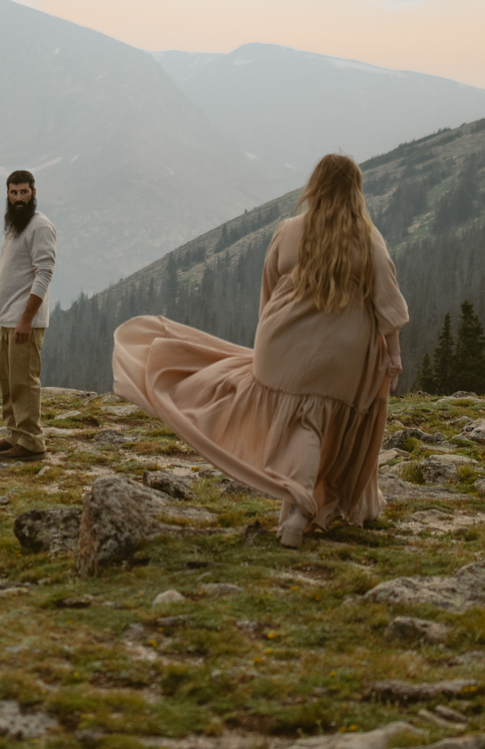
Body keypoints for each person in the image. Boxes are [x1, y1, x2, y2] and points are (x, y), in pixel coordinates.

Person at [111, 153, 408, 548]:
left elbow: (269, 292)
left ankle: (298, 506)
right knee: (319, 423)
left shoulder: (290, 229)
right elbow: (388, 305)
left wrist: (270, 339)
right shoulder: (368, 238)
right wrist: (393, 354)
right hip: (345, 355)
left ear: (315, 186)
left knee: (299, 423)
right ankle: (306, 509)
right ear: (355, 190)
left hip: (283, 340)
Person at [0, 169, 57, 462]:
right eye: (13, 192)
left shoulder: (40, 226)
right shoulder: (15, 226)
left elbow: (44, 273)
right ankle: (15, 434)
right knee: (8, 381)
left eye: (24, 192)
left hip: (24, 320)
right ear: (7, 194)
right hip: (8, 318)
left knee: (24, 381)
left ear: (33, 193)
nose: (18, 198)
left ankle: (31, 443)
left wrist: (27, 319)